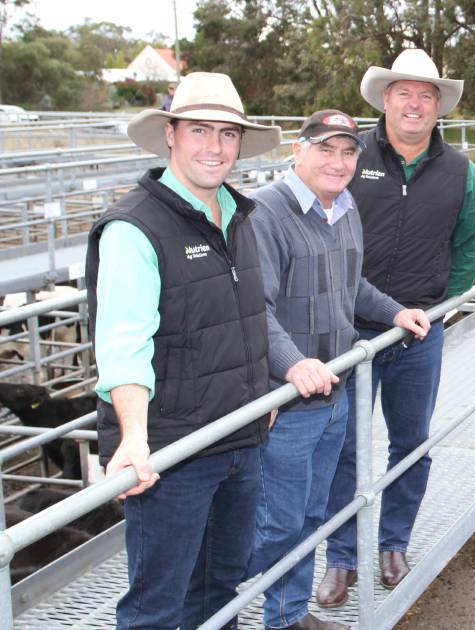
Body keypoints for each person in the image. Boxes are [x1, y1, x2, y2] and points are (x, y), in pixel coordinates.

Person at [84, 72, 282, 629]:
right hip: (174, 453)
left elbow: (242, 316)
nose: (214, 147)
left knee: (220, 586)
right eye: (199, 130)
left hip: (240, 436)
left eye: (227, 133)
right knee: (157, 605)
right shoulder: (134, 228)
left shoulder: (239, 214)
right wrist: (134, 438)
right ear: (170, 134)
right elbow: (124, 340)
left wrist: (260, 385)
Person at [243, 109, 430, 630]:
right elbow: (255, 309)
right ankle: (215, 601)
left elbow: (352, 288)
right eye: (325, 148)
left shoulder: (345, 208)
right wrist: (290, 366)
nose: (338, 161)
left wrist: (395, 310)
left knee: (309, 514)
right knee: (275, 523)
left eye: (349, 151)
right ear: (297, 151)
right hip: (289, 400)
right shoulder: (265, 213)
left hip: (335, 391)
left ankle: (286, 615)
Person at [316, 48, 475, 607]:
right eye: (404, 93)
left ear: (439, 106)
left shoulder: (461, 172)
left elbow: (470, 246)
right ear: (385, 99)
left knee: (411, 442)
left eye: (426, 95)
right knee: (342, 444)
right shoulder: (348, 156)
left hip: (418, 330)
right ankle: (341, 557)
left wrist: (443, 306)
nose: (414, 104)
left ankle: (394, 543)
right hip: (349, 331)